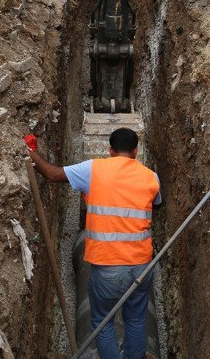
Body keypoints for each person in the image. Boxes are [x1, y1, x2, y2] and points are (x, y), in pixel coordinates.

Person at [25, 128, 161, 359]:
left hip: (106, 266)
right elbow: (157, 204)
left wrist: (32, 153)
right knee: (136, 318)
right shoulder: (150, 176)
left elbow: (52, 174)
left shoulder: (93, 169)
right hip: (141, 265)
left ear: (110, 150)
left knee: (101, 320)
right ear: (136, 151)